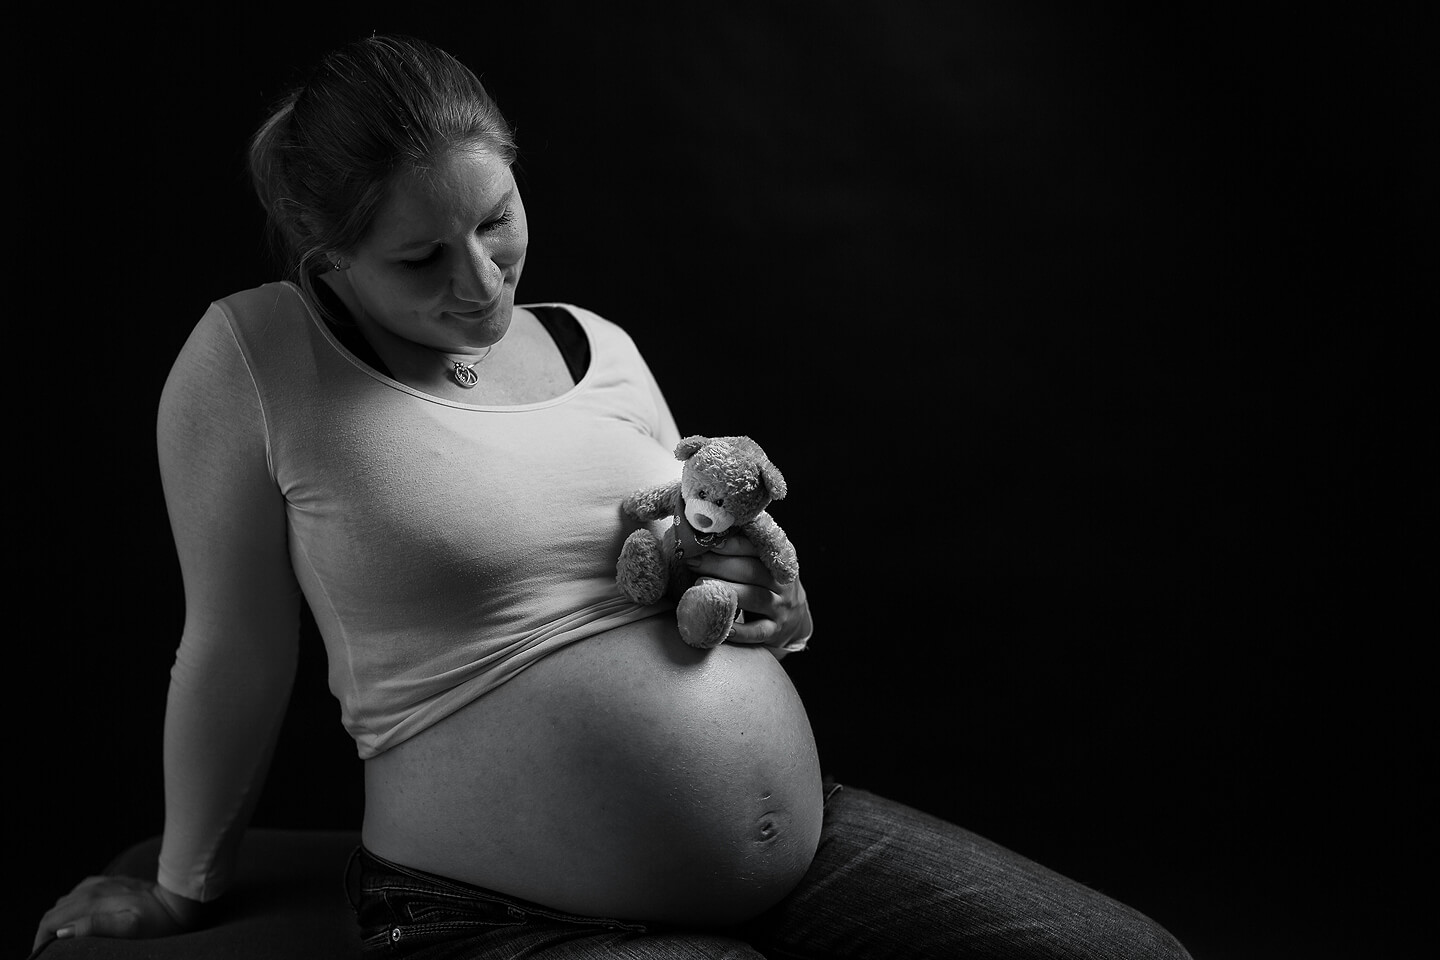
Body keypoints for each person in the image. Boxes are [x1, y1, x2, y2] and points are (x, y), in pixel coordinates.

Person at [32, 34, 1191, 959]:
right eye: (419, 259)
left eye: (496, 221)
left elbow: (687, 558)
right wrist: (181, 889)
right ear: (324, 253)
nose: (480, 280)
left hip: (801, 841)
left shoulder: (602, 346)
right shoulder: (257, 357)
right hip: (504, 912)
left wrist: (769, 608)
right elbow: (233, 647)